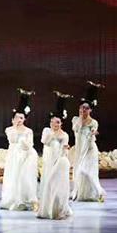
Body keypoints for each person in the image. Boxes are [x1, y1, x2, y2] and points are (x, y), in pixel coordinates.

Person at [0, 88, 39, 211]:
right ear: (13, 119)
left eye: (21, 118)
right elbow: (12, 139)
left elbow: (29, 145)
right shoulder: (9, 129)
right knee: (12, 176)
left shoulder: (28, 131)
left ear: (25, 119)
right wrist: (15, 128)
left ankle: (24, 199)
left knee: (23, 177)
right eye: (17, 117)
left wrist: (24, 143)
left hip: (25, 156)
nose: (19, 120)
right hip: (13, 155)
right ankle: (12, 199)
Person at [37, 91, 73, 220]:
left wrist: (65, 149)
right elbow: (45, 142)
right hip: (48, 161)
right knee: (47, 184)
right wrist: (52, 133)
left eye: (57, 122)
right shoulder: (47, 131)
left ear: (61, 123)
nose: (54, 124)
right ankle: (47, 209)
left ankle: (58, 209)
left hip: (59, 161)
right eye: (52, 122)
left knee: (56, 185)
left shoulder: (64, 135)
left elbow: (65, 152)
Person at [71, 81, 106, 202]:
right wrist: (81, 117)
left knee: (89, 171)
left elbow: (93, 131)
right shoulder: (75, 120)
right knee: (79, 170)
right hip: (80, 149)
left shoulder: (94, 122)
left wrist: (93, 133)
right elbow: (76, 129)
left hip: (90, 149)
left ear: (90, 110)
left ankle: (97, 192)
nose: (83, 110)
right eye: (82, 107)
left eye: (86, 108)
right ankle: (79, 192)